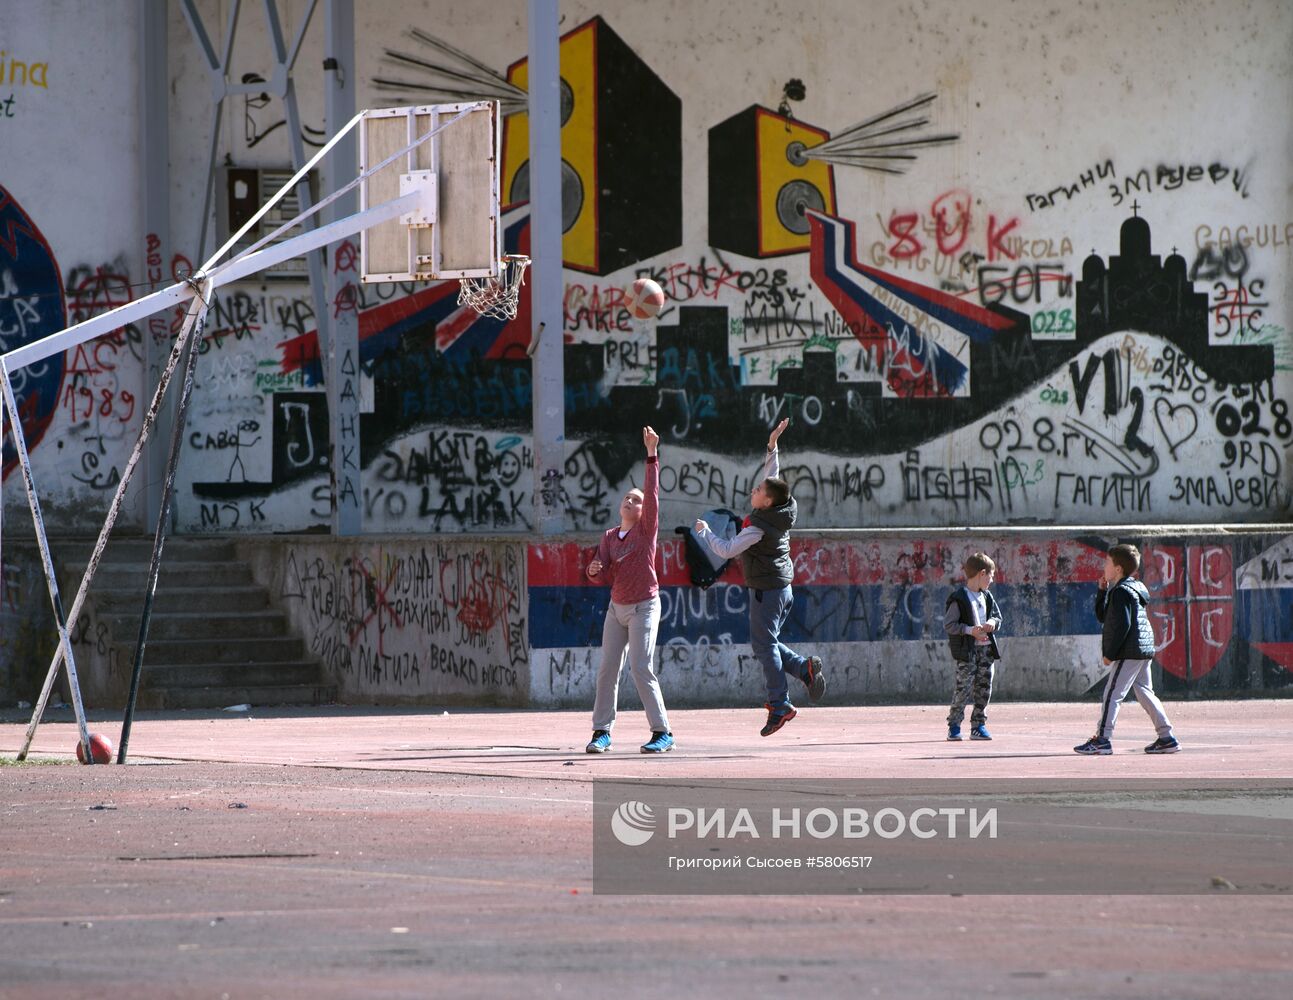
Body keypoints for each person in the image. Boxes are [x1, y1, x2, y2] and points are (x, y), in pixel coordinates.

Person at [693, 418, 825, 736]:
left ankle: (779, 704)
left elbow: (726, 549)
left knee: (764, 647)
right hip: (781, 588)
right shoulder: (780, 511)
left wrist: (706, 532)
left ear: (766, 501)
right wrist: (772, 445)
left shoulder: (756, 529)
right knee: (768, 642)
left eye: (758, 490)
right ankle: (803, 669)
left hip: (766, 591)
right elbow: (773, 475)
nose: (754, 489)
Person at [584, 426, 673, 754]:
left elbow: (651, 494)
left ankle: (662, 731)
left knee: (640, 666)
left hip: (644, 606)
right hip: (616, 608)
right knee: (608, 667)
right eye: (627, 498)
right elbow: (601, 570)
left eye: (636, 501)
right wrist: (593, 570)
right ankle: (601, 732)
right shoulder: (609, 537)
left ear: (642, 512)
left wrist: (651, 455)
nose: (631, 502)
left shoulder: (646, 530)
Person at [1074, 543, 1179, 755]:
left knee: (1112, 693)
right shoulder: (1131, 588)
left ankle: (1102, 739)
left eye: (1107, 563)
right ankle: (1166, 737)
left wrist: (1110, 654)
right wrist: (1102, 592)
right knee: (1145, 693)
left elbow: (1122, 626)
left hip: (1129, 650)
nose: (1104, 566)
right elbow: (1105, 617)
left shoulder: (1121, 592)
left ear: (1118, 569)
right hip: (1143, 649)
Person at [943, 552, 1002, 742]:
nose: (991, 580)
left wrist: (992, 622)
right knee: (963, 688)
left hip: (986, 651)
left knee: (984, 688)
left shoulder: (987, 596)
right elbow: (949, 625)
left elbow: (998, 617)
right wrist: (970, 630)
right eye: (991, 576)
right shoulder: (959, 598)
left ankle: (978, 725)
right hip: (968, 652)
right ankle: (954, 725)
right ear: (982, 573)